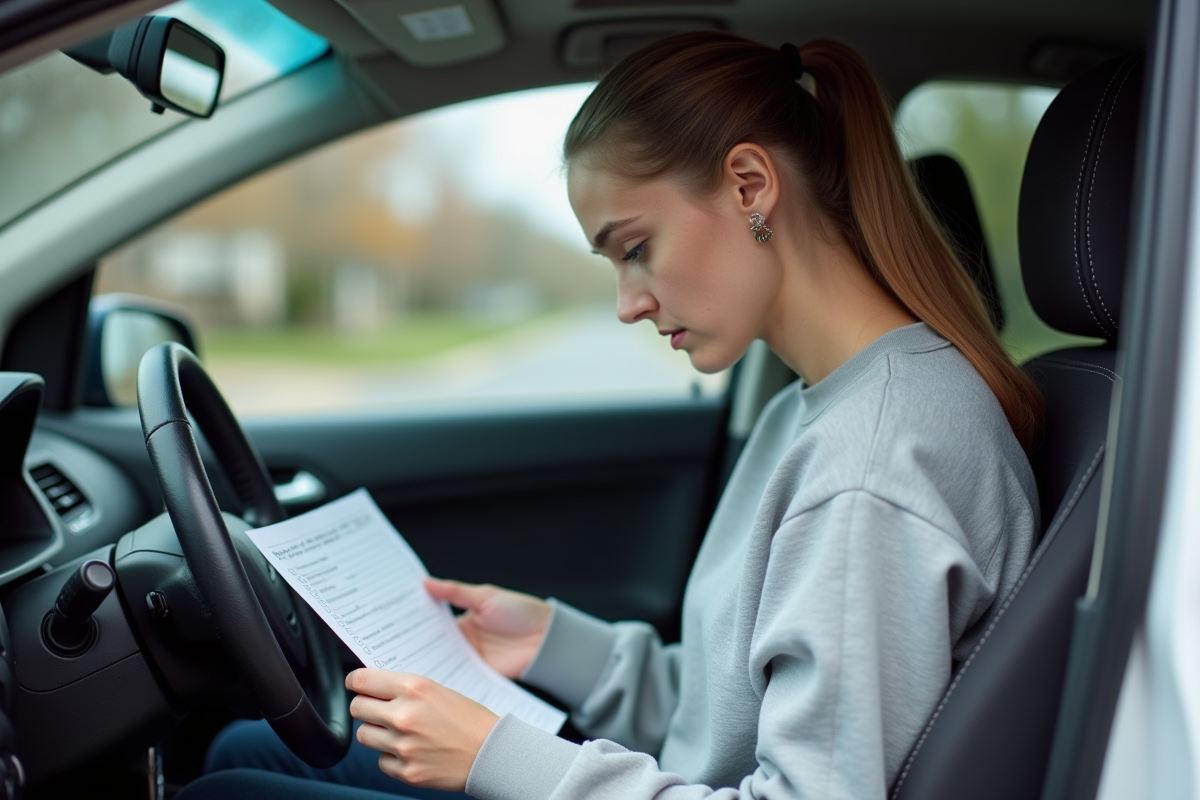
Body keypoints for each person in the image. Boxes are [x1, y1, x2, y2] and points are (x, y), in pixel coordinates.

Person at [181, 31, 1041, 800]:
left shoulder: (874, 461)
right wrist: (557, 644)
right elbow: (728, 714)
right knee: (243, 748)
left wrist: (496, 756)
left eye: (637, 249)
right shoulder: (814, 410)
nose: (629, 303)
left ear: (750, 185)